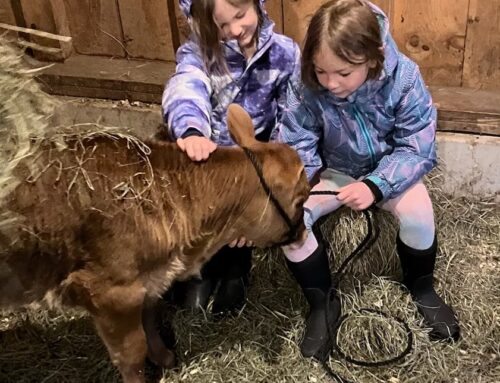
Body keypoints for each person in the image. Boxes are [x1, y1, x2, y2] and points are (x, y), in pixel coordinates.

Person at [278, 0, 460, 361]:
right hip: (334, 172)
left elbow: (416, 145)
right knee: (290, 223)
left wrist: (377, 184)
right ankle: (321, 303)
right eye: (320, 71)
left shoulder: (404, 77)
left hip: (388, 168)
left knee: (419, 212)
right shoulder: (304, 84)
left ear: (373, 57)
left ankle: (422, 288)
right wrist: (309, 182)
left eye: (344, 73)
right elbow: (296, 139)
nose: (330, 83)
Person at [162, 0, 301, 315]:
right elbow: (186, 87)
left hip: (254, 163)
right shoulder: (199, 54)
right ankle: (203, 271)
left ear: (257, 3)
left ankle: (237, 270)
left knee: (249, 211)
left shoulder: (285, 53)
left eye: (241, 16)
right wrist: (191, 130)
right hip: (210, 158)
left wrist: (276, 168)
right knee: (202, 212)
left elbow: (292, 114)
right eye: (222, 26)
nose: (236, 31)